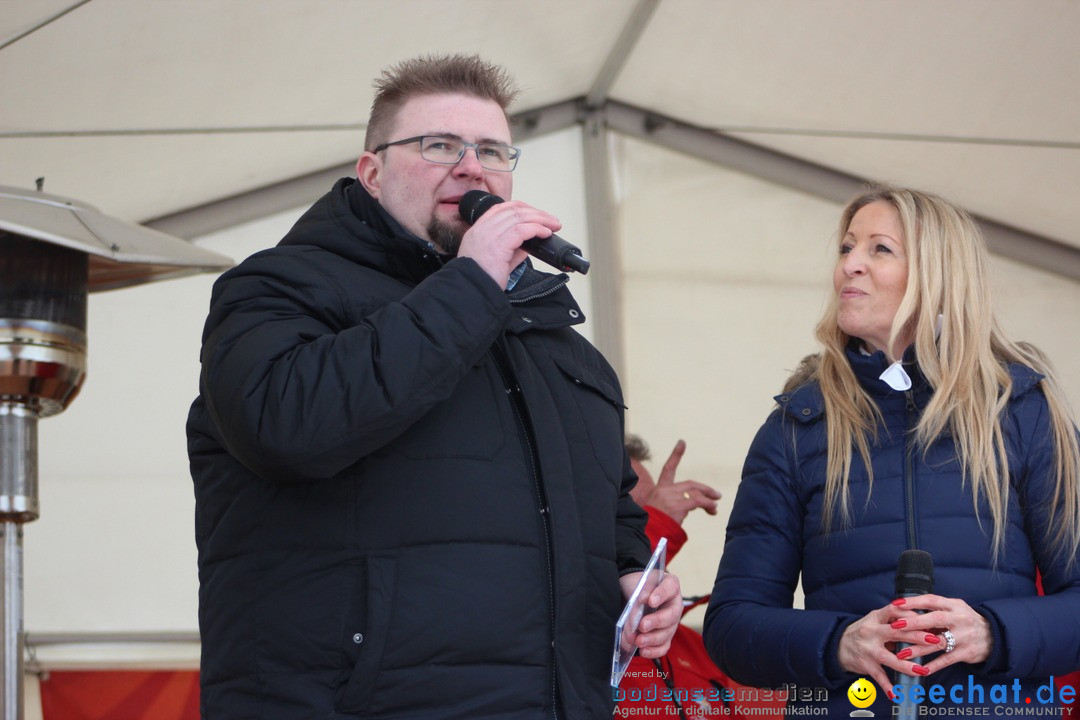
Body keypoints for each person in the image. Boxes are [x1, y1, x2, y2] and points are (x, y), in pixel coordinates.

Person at [186, 53, 681, 719]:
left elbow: (608, 515)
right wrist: (471, 282)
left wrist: (632, 581)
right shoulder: (279, 288)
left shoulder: (560, 347)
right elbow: (283, 427)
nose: (471, 166)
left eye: (492, 150)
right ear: (371, 172)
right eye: (438, 144)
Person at [703, 184, 1080, 716]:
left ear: (940, 273)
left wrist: (991, 634)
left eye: (879, 249)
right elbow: (732, 624)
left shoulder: (1021, 412)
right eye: (845, 248)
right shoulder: (796, 426)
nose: (850, 265)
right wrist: (839, 642)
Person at [616, 436, 786, 719]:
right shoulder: (576, 641)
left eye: (644, 515)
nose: (640, 524)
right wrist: (659, 520)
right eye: (631, 515)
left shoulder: (695, 647)